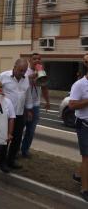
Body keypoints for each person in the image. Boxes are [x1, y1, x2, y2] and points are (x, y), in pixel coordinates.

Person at [0, 59, 33, 172]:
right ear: (14, 67)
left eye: (24, 71)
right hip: (6, 115)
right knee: (6, 139)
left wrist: (29, 110)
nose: (22, 73)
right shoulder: (4, 76)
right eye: (20, 70)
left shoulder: (26, 78)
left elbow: (27, 95)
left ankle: (11, 160)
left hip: (20, 113)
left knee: (17, 139)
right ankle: (2, 162)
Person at [21, 53, 50, 158]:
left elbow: (45, 88)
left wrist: (47, 101)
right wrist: (30, 77)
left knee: (31, 130)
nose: (37, 60)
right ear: (30, 60)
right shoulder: (24, 71)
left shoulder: (42, 72)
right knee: (19, 129)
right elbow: (20, 82)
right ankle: (13, 150)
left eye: (39, 59)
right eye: (34, 59)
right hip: (23, 105)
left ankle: (25, 150)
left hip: (35, 105)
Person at [68, 53, 88, 202]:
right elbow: (72, 105)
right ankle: (85, 188)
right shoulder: (80, 84)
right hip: (84, 124)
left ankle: (79, 175)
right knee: (87, 157)